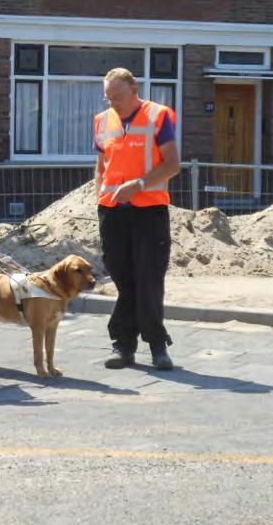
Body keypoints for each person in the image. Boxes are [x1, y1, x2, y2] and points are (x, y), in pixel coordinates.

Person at [95, 68, 180, 371]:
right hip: (112, 212)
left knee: (148, 279)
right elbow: (101, 165)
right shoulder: (103, 121)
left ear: (134, 89)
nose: (112, 103)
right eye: (108, 97)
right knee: (124, 280)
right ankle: (124, 347)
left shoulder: (158, 117)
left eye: (117, 96)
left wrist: (139, 184)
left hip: (149, 211)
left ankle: (157, 345)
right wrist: (99, 200)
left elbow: (172, 164)